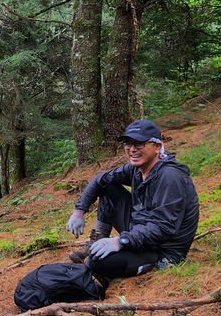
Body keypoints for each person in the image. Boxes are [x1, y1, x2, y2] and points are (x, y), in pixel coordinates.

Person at [65, 119, 199, 284]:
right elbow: (100, 179)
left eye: (139, 144)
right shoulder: (137, 169)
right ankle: (96, 243)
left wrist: (121, 241)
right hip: (143, 231)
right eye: (128, 144)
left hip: (163, 249)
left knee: (98, 263)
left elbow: (164, 227)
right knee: (109, 188)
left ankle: (158, 264)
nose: (132, 149)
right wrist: (79, 210)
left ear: (157, 147)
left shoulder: (170, 177)